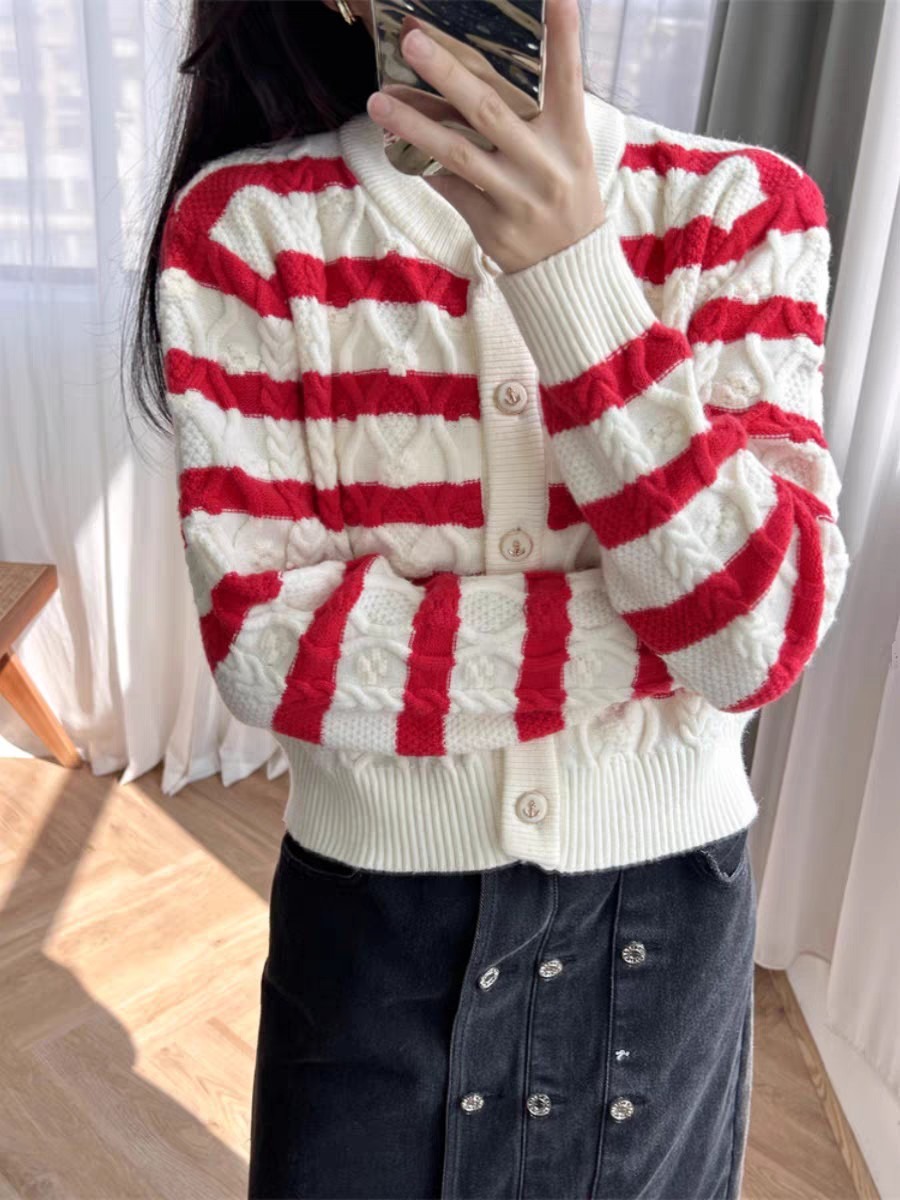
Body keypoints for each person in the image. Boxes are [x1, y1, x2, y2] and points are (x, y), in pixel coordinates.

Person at [129, 0, 851, 1195]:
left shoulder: (740, 209)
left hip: (660, 935)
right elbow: (271, 651)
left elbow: (757, 637)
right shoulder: (247, 228)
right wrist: (671, 628)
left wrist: (572, 275)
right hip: (373, 934)